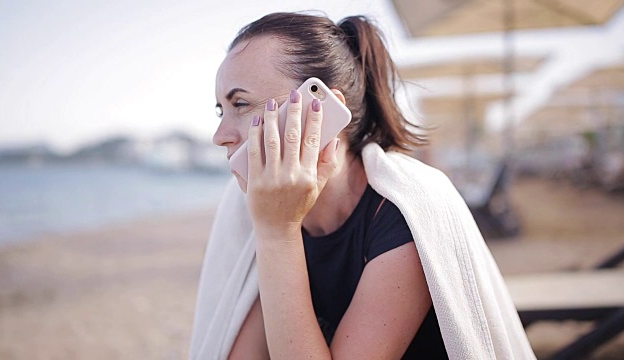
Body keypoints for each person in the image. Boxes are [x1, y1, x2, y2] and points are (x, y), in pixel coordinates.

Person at [189, 12, 536, 360]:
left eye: (242, 104)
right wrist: (273, 228)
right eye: (222, 111)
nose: (220, 137)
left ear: (320, 111)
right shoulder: (259, 206)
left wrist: (278, 234)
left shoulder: (407, 213)